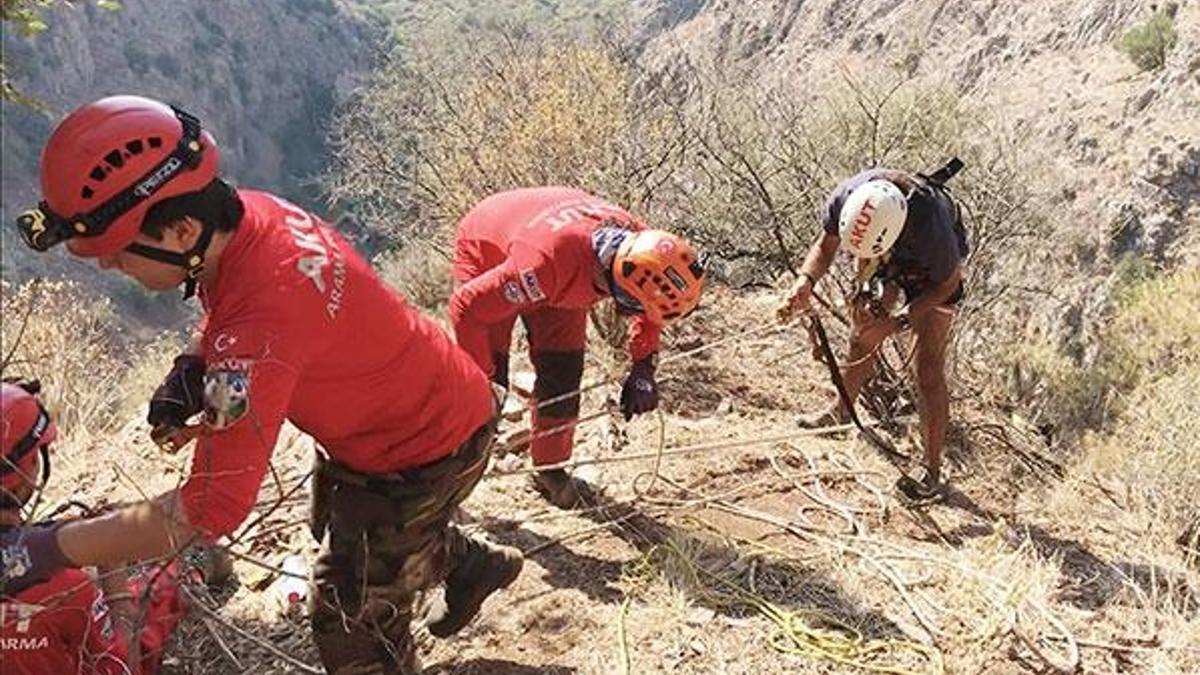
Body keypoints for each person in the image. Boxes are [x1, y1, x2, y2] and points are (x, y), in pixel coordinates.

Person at [7, 95, 522, 674]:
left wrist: (43, 549)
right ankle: (468, 563)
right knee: (344, 529)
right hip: (417, 408)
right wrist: (190, 368)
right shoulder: (251, 216)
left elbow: (210, 508)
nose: (109, 266)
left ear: (181, 231)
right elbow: (237, 314)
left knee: (348, 619)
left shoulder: (256, 333)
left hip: (423, 448)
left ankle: (434, 574)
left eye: (117, 253)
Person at [449, 187, 705, 508]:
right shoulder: (545, 264)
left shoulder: (646, 248)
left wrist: (643, 367)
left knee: (564, 372)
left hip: (560, 263)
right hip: (489, 248)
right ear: (622, 289)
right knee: (486, 393)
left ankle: (550, 470)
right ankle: (447, 489)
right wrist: (481, 377)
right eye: (635, 306)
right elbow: (466, 308)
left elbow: (650, 308)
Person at [778, 163, 967, 500]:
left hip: (931, 274)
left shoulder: (931, 227)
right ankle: (841, 412)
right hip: (884, 253)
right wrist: (805, 281)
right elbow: (825, 247)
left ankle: (931, 471)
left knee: (927, 370)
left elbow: (948, 284)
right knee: (863, 331)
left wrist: (898, 322)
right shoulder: (846, 199)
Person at [0, 379, 202, 675]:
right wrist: (113, 574)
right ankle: (192, 570)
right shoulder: (66, 591)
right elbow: (122, 667)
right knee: (150, 600)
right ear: (27, 469)